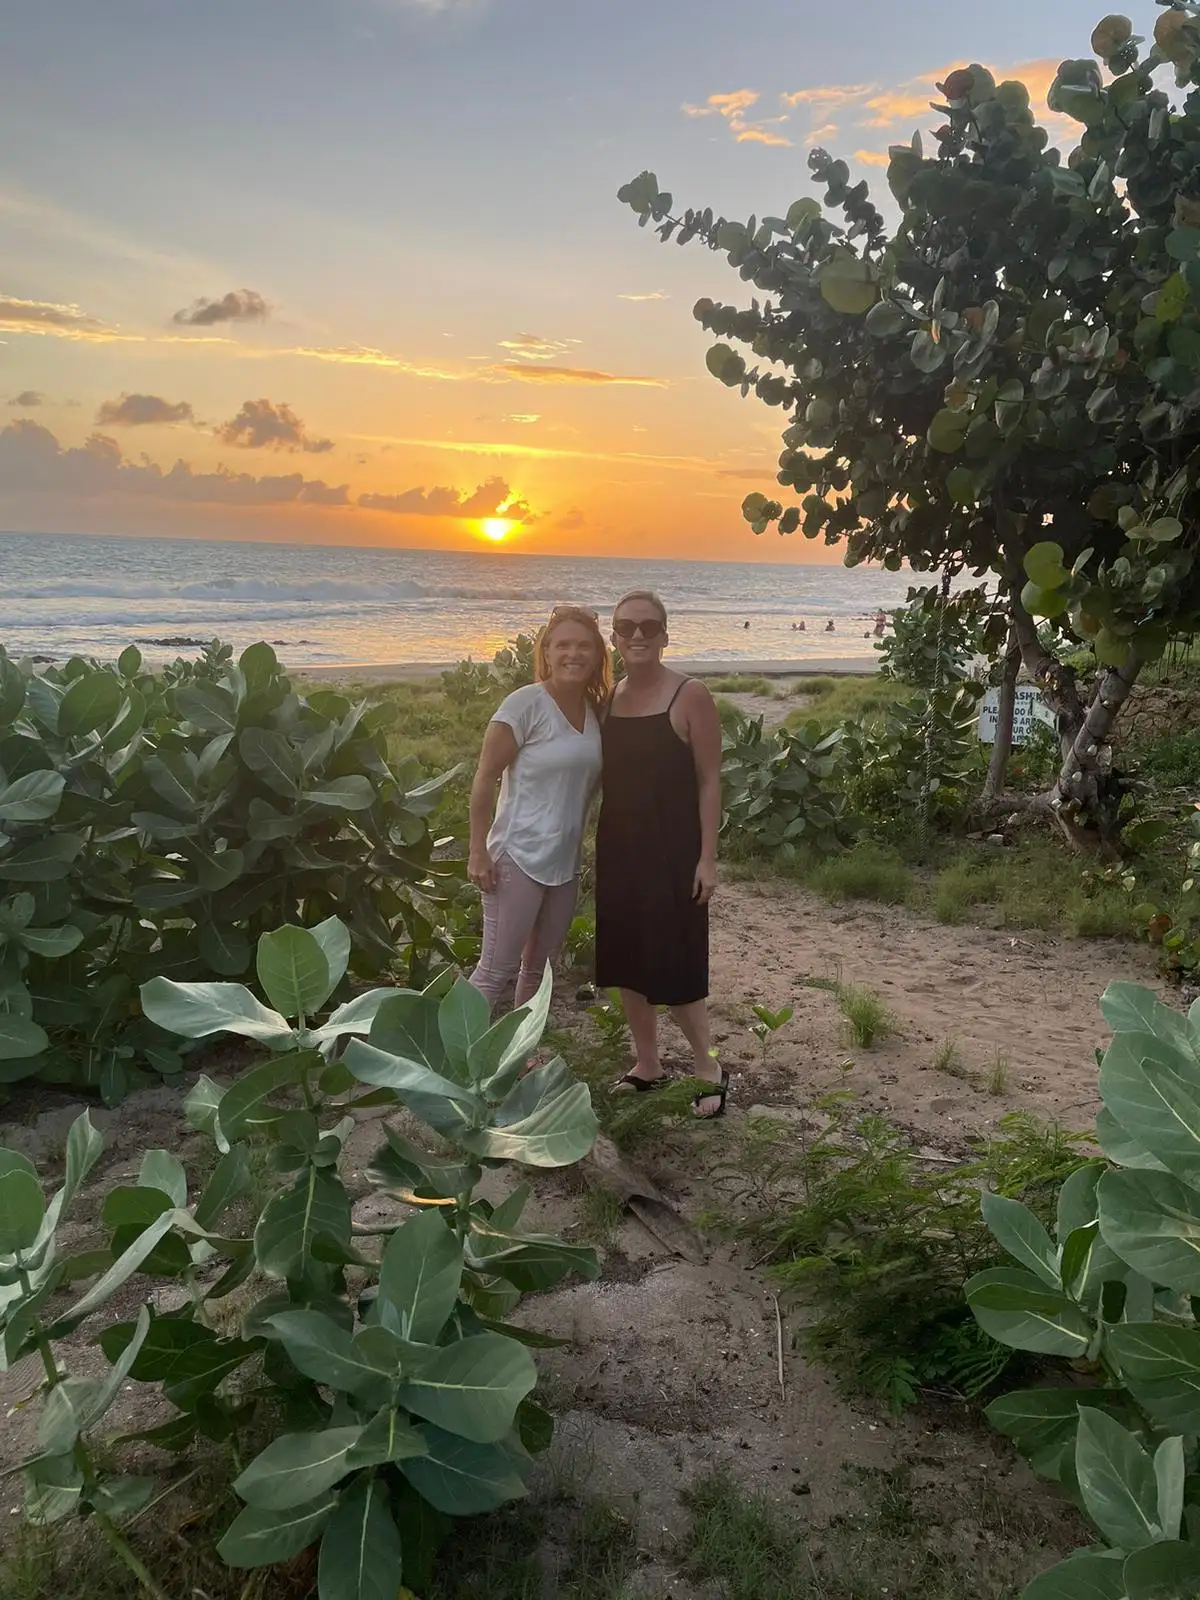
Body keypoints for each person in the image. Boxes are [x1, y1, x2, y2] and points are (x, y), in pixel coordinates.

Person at [594, 590, 726, 1117]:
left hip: (674, 853)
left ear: (666, 635)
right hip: (619, 851)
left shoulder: (690, 695)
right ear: (615, 638)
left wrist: (708, 858)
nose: (638, 635)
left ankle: (708, 1065)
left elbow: (710, 780)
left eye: (649, 626)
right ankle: (647, 1063)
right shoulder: (608, 698)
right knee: (628, 962)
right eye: (627, 627)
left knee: (680, 969)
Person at [467, 604, 608, 1010]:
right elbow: (484, 776)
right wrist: (478, 850)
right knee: (495, 970)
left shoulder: (596, 711)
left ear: (598, 655)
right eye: (562, 645)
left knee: (539, 971)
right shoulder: (525, 704)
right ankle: (456, 1063)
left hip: (564, 865)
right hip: (517, 857)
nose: (573, 654)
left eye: (584, 646)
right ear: (546, 652)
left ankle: (522, 1057)